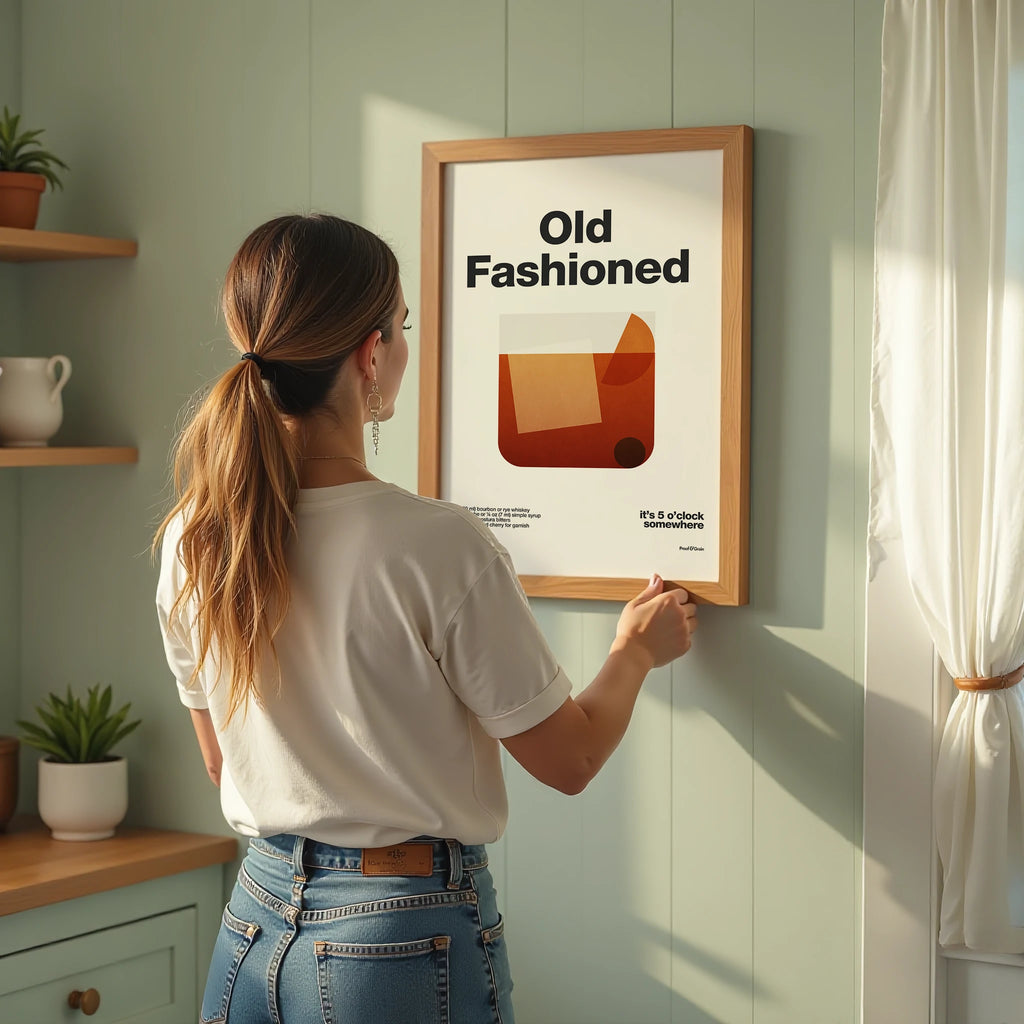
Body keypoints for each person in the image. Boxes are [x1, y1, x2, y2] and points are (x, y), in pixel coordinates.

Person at [154, 213, 697, 1024]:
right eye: (403, 327)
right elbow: (571, 758)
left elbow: (219, 761)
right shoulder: (437, 544)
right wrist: (635, 651)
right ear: (371, 354)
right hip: (397, 938)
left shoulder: (193, 537)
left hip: (253, 926)